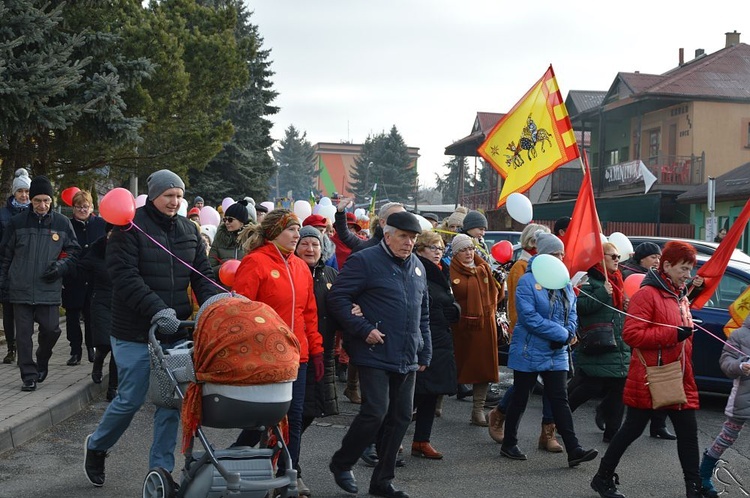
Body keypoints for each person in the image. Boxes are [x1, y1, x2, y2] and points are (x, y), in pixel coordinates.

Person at [84, 170, 218, 487]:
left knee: (170, 402)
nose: (174, 201)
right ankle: (97, 445)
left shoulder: (189, 231)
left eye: (179, 196)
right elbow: (125, 278)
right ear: (154, 195)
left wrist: (215, 304)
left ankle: (161, 472)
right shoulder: (128, 229)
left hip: (175, 332)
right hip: (133, 331)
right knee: (129, 398)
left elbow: (202, 276)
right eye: (168, 195)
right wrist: (157, 309)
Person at [327, 211, 431, 498]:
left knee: (400, 418)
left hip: (407, 353)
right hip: (374, 350)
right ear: (387, 235)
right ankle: (342, 462)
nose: (408, 242)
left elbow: (423, 313)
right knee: (375, 412)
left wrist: (425, 352)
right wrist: (362, 329)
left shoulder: (418, 267)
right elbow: (338, 297)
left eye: (413, 238)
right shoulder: (365, 260)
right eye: (403, 236)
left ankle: (382, 481)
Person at [590, 241, 702, 498]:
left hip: (678, 376)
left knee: (688, 433)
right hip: (653, 377)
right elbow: (631, 334)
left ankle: (694, 488)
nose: (688, 275)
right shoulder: (647, 294)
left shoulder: (679, 295)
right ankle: (603, 477)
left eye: (690, 269)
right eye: (683, 269)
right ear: (666, 266)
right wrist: (673, 334)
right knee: (631, 430)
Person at [232, 209, 324, 486]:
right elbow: (240, 313)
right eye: (292, 230)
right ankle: (240, 462)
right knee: (266, 418)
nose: (298, 235)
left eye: (298, 230)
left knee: (293, 420)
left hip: (298, 356)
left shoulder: (300, 267)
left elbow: (309, 313)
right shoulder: (255, 262)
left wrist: (316, 349)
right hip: (266, 356)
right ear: (274, 232)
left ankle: (289, 475)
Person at [500, 232, 598, 467]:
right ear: (543, 255)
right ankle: (509, 442)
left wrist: (568, 332)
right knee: (521, 397)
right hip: (529, 349)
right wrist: (561, 334)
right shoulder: (527, 281)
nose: (560, 258)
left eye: (561, 254)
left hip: (556, 351)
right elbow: (529, 317)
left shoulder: (564, 282)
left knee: (559, 399)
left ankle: (573, 449)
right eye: (555, 254)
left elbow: (572, 310)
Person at [487, 224, 564, 452]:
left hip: (553, 337)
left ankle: (548, 432)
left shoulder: (555, 268)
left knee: (553, 387)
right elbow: (518, 307)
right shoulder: (522, 267)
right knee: (524, 386)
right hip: (530, 336)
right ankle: (499, 413)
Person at [0, 175, 80, 392]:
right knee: (23, 336)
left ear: (51, 201)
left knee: (52, 330)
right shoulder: (16, 223)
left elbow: (74, 253)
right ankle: (29, 376)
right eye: (37, 200)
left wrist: (59, 268)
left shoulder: (62, 224)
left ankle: (42, 360)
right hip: (20, 288)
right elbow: (5, 255)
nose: (42, 205)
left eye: (46, 200)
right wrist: (4, 283)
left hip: (49, 288)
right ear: (31, 201)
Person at [295, 225, 340, 496]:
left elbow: (341, 305)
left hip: (322, 353)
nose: (310, 249)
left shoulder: (330, 274)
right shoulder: (291, 272)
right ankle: (291, 469)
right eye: (305, 244)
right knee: (295, 415)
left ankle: (277, 454)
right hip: (296, 354)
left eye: (315, 244)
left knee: (311, 412)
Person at [568, 242, 629, 443]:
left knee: (619, 388)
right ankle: (559, 418)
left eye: (618, 256)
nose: (617, 260)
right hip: (598, 342)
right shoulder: (588, 279)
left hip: (617, 343)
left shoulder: (618, 279)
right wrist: (602, 293)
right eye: (612, 256)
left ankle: (612, 433)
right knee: (591, 386)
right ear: (599, 257)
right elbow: (580, 306)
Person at [618, 241, 678, 440]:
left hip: (660, 346)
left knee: (661, 386)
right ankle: (609, 416)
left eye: (659, 258)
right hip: (639, 342)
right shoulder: (633, 278)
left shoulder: (662, 281)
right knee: (631, 390)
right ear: (641, 258)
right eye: (653, 257)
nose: (657, 261)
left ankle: (658, 425)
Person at [411, 230, 459, 460]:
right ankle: (384, 439)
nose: (438, 252)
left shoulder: (442, 271)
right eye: (432, 247)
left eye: (440, 248)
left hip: (441, 338)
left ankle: (422, 440)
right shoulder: (416, 269)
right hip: (424, 338)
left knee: (432, 393)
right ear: (420, 250)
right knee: (413, 395)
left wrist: (453, 311)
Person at [449, 234, 499, 427]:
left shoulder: (483, 268)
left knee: (484, 367)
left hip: (485, 325)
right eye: (463, 249)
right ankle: (435, 403)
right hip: (461, 326)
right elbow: (454, 294)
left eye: (471, 248)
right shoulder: (451, 270)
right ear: (455, 253)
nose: (469, 253)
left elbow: (495, 293)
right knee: (453, 366)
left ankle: (477, 410)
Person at [698, 314, 750, 498]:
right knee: (727, 437)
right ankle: (703, 474)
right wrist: (741, 366)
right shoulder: (739, 335)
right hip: (743, 398)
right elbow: (726, 362)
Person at [62, 190, 107, 365]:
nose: (82, 210)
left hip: (95, 278)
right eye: (79, 207)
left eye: (85, 207)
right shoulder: (67, 225)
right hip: (73, 277)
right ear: (73, 208)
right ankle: (75, 350)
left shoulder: (100, 224)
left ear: (91, 207)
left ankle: (91, 348)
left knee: (91, 315)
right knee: (72, 316)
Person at [79, 224, 118, 401]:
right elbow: (82, 266)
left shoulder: (128, 249)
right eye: (111, 233)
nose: (114, 236)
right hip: (101, 300)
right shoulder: (97, 249)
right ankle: (98, 361)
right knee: (104, 343)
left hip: (122, 303)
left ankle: (113, 388)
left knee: (117, 349)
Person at [0, 168, 31, 364]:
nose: (23, 195)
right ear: (14, 192)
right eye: (20, 191)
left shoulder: (34, 212)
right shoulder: (3, 214)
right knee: (9, 309)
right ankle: (11, 347)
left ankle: (24, 346)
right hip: (6, 266)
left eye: (27, 192)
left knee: (26, 312)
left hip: (27, 267)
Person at [208, 200, 249, 281]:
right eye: (225, 219)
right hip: (223, 289)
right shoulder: (219, 239)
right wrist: (225, 268)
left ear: (241, 222)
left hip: (245, 288)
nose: (227, 222)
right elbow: (209, 268)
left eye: (230, 220)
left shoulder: (252, 240)